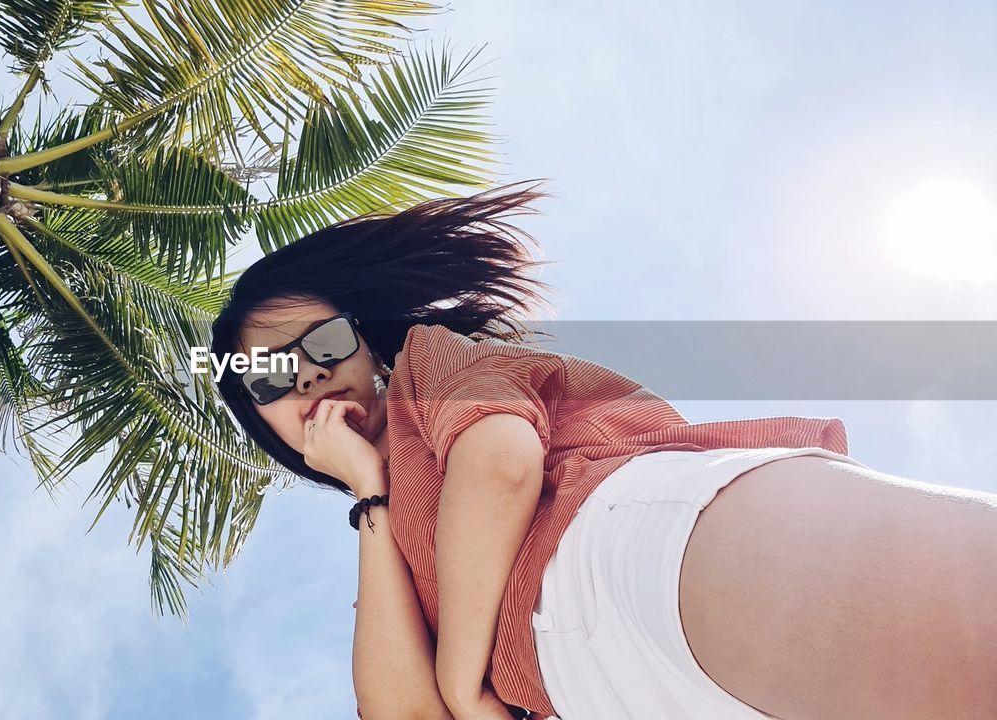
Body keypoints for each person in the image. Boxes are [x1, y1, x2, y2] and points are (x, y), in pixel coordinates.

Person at [208, 182, 997, 720]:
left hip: (633, 541)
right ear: (258, 412)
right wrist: (370, 495)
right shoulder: (391, 543)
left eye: (326, 341)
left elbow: (499, 461)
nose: (309, 372)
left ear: (366, 346)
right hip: (601, 692)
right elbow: (403, 713)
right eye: (271, 373)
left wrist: (458, 672)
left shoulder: (426, 361)